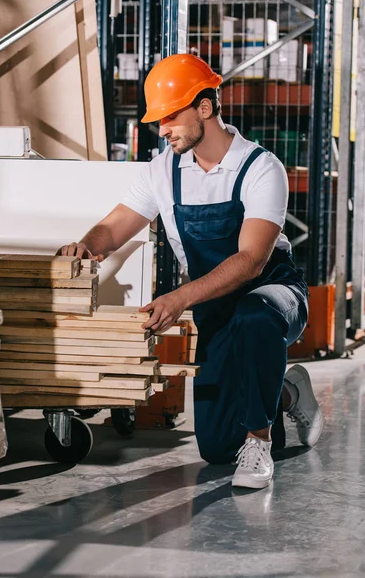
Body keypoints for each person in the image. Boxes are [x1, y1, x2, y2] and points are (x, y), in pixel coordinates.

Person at [59, 54, 323, 489]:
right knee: (218, 449)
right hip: (215, 310)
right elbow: (115, 225)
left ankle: (260, 439)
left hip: (274, 295)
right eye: (158, 120)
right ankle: (289, 390)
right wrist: (88, 246)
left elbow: (251, 261)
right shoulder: (163, 170)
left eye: (169, 117)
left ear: (205, 107)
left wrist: (178, 299)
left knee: (254, 315)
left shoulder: (261, 168)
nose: (161, 130)